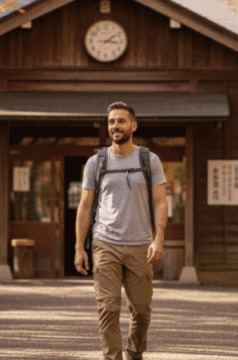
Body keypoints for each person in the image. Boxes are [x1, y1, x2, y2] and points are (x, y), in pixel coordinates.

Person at [74, 101, 168, 360]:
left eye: (121, 121)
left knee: (141, 308)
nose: (115, 126)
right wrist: (79, 246)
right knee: (108, 307)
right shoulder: (96, 162)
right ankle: (112, 357)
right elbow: (85, 205)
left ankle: (135, 352)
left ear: (133, 125)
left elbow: (161, 201)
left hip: (141, 243)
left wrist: (158, 238)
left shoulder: (149, 160)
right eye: (111, 121)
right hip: (105, 243)